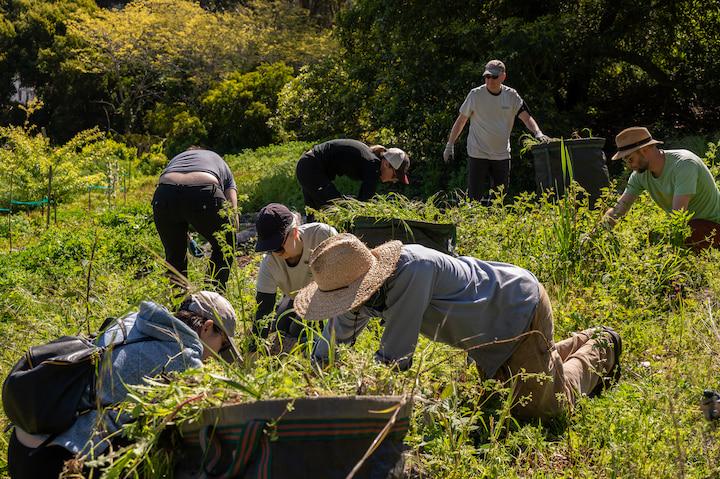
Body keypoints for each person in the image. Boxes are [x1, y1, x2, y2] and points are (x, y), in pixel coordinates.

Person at [294, 234, 622, 419]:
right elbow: (334, 342)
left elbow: (395, 358)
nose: (348, 306)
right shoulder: (363, 287)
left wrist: (357, 405)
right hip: (484, 336)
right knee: (499, 404)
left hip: (515, 311)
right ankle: (557, 354)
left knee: (547, 409)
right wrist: (314, 384)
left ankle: (603, 344)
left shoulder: (410, 272)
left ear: (365, 282)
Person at [7, 291, 239, 479]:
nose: (218, 355)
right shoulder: (186, 359)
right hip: (61, 461)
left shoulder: (137, 319)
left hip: (22, 445)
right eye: (223, 346)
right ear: (207, 327)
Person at [443, 59, 550, 203]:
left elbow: (526, 118)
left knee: (499, 199)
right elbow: (461, 121)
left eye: (494, 77)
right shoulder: (475, 95)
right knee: (474, 199)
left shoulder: (511, 96)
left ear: (503, 77)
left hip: (502, 154)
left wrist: (538, 133)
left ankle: (494, 223)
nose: (490, 80)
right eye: (487, 76)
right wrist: (450, 145)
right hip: (477, 152)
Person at [603, 127, 720, 250]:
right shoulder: (639, 175)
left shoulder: (684, 164)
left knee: (687, 233)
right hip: (688, 226)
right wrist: (594, 233)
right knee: (651, 238)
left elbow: (678, 215)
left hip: (713, 225)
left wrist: (665, 248)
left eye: (630, 159)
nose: (629, 165)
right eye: (626, 161)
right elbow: (620, 209)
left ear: (643, 150)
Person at [253, 203, 337, 349]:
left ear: (295, 232)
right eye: (269, 248)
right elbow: (263, 310)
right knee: (281, 324)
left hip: (328, 295)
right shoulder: (269, 263)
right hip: (298, 298)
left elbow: (345, 275)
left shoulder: (322, 235)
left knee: (297, 330)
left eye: (278, 245)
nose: (275, 253)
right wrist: (255, 348)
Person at [152, 147, 238, 290]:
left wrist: (186, 238)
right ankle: (211, 300)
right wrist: (230, 236)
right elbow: (233, 215)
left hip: (164, 195)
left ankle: (180, 306)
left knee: (174, 257)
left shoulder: (176, 159)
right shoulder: (217, 159)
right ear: (203, 150)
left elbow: (176, 200)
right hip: (204, 190)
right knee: (225, 247)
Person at [295, 139, 410, 220]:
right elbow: (364, 204)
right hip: (311, 168)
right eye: (395, 176)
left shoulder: (372, 162)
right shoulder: (372, 166)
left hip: (309, 166)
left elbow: (362, 202)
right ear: (386, 164)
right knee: (337, 212)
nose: (394, 180)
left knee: (315, 216)